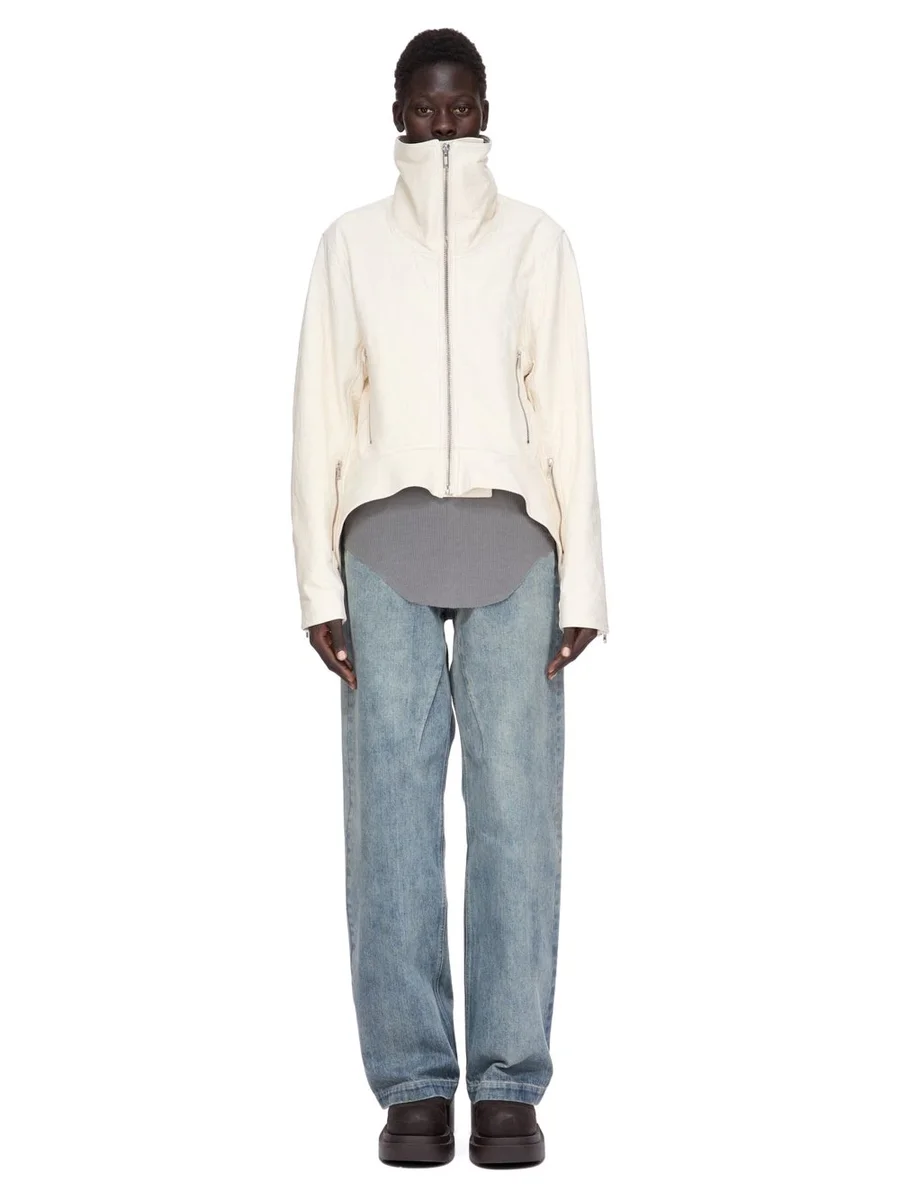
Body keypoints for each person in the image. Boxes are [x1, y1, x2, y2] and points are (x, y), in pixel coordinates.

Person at [290, 28, 609, 1167]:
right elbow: (321, 410)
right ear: (395, 109)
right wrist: (316, 580)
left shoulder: (536, 241)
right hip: (383, 541)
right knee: (389, 816)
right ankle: (415, 1084)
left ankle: (510, 1085)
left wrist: (587, 578)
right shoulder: (349, 244)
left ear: (484, 107)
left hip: (514, 544)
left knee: (518, 811)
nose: (441, 122)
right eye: (423, 105)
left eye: (459, 102)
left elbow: (564, 407)